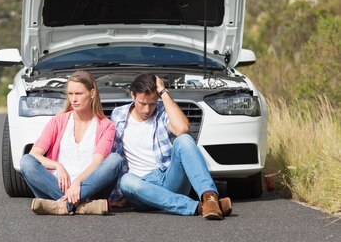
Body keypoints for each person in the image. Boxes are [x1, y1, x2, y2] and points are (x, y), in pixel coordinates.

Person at [110, 73, 232, 219]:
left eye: (152, 103)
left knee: (184, 140)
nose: (147, 110)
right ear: (133, 95)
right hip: (141, 186)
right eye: (142, 103)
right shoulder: (118, 115)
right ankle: (199, 208)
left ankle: (210, 199)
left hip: (167, 177)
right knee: (127, 181)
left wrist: (163, 92)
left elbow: (182, 129)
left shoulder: (162, 111)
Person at [20, 70, 123, 215]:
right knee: (26, 162)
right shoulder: (58, 120)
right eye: (70, 94)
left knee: (115, 160)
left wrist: (77, 183)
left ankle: (61, 205)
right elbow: (34, 154)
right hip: (57, 186)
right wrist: (57, 165)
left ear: (92, 93)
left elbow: (97, 163)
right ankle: (83, 206)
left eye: (79, 94)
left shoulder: (106, 125)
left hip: (89, 187)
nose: (74, 99)